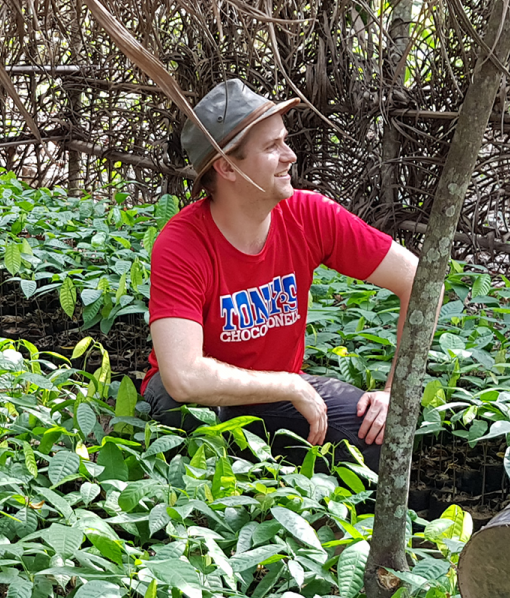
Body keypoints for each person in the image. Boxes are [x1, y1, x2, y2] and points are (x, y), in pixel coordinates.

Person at [143, 79, 420, 470]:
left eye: (284, 141)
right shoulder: (181, 244)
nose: (289, 155)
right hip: (207, 397)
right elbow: (183, 377)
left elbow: (419, 282)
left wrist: (396, 392)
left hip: (277, 393)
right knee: (182, 415)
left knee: (376, 431)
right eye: (272, 147)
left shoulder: (310, 215)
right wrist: (290, 384)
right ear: (226, 166)